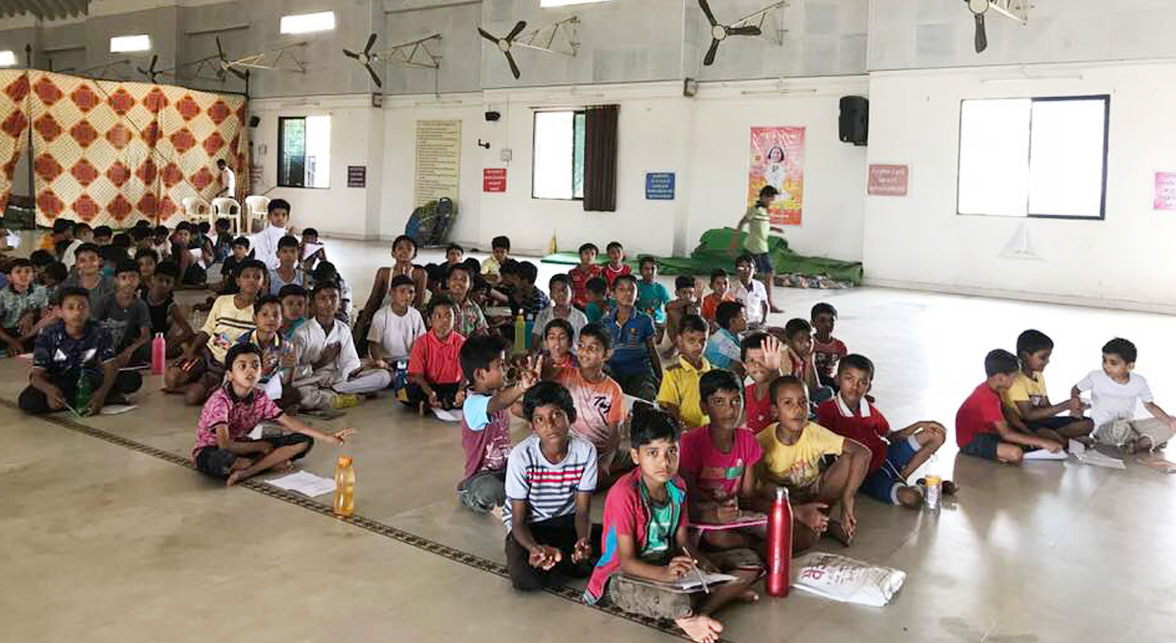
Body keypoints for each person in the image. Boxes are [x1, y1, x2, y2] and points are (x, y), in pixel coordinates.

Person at [583, 405, 760, 643]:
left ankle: (704, 607)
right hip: (625, 575)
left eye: (672, 451)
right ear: (635, 455)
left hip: (666, 563)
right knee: (675, 599)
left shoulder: (677, 486)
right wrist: (663, 574)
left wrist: (700, 563)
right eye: (653, 453)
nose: (664, 462)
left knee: (749, 561)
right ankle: (698, 611)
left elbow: (682, 541)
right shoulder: (624, 493)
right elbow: (626, 561)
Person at [192, 343, 355, 486]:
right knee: (221, 460)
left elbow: (290, 423)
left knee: (303, 441)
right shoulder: (220, 400)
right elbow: (225, 444)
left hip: (244, 446)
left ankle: (248, 471)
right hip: (213, 449)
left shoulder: (259, 397)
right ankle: (268, 463)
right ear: (230, 374)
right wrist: (261, 446)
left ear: (261, 372)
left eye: (255, 365)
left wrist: (327, 437)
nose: (250, 371)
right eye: (242, 366)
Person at [817, 354, 950, 508]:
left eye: (862, 382)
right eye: (849, 379)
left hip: (888, 456)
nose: (855, 386)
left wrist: (919, 425)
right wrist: (841, 483)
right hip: (867, 476)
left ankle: (902, 477)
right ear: (837, 379)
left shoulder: (868, 408)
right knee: (911, 499)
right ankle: (924, 486)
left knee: (937, 435)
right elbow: (826, 452)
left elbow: (891, 436)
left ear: (868, 387)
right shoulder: (827, 410)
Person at [505, 381, 600, 591]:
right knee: (524, 579)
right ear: (532, 426)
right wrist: (534, 549)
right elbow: (518, 520)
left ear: (571, 416)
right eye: (539, 419)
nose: (549, 424)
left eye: (556, 415)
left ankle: (564, 558)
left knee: (615, 543)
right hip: (532, 528)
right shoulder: (521, 456)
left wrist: (582, 540)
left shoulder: (585, 451)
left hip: (567, 522)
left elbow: (582, 511)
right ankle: (563, 559)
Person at [755, 375, 871, 546]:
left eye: (803, 402)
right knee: (804, 534)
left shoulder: (813, 432)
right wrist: (793, 509)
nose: (797, 409)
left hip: (813, 494)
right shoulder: (761, 443)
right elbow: (754, 493)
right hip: (784, 503)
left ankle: (820, 518)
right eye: (788, 403)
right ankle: (821, 525)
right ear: (774, 411)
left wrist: (848, 499)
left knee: (848, 460)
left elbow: (863, 453)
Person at [18, 287, 143, 415]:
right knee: (28, 401)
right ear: (60, 311)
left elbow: (111, 366)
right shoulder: (48, 334)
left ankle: (91, 398)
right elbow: (36, 376)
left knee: (132, 379)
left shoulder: (100, 330)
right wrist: (49, 390)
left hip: (90, 379)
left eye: (82, 307)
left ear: (89, 310)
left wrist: (101, 394)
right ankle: (98, 399)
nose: (77, 312)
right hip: (60, 382)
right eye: (70, 308)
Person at [679, 370, 764, 551]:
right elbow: (686, 498)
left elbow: (747, 494)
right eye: (719, 402)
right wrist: (714, 513)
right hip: (700, 515)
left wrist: (734, 508)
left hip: (733, 512)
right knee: (720, 538)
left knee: (782, 529)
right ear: (704, 407)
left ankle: (755, 547)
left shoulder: (748, 440)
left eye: (736, 401)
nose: (730, 410)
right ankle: (754, 547)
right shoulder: (691, 443)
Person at [166, 259, 265, 405]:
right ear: (238, 281)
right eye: (246, 276)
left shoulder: (262, 311)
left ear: (263, 282)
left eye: (257, 277)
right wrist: (192, 350)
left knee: (192, 397)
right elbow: (207, 329)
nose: (251, 280)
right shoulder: (222, 301)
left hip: (225, 365)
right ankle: (199, 382)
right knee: (172, 379)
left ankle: (208, 386)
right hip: (206, 354)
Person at [458, 335, 538, 514]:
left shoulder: (498, 395)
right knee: (490, 489)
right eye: (500, 365)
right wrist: (521, 387)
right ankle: (471, 496)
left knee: (534, 461)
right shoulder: (473, 404)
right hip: (480, 477)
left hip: (505, 468)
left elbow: (511, 401)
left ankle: (515, 495)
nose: (506, 368)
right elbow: (499, 402)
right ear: (480, 374)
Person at [290, 282, 391, 411]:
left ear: (339, 302)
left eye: (333, 298)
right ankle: (345, 395)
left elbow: (350, 363)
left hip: (338, 380)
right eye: (323, 298)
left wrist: (359, 367)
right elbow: (292, 371)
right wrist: (321, 362)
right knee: (302, 395)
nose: (329, 303)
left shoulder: (343, 329)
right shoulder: (302, 332)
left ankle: (335, 392)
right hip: (310, 381)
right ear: (314, 303)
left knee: (384, 377)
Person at [555, 323, 629, 487]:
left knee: (641, 460)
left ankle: (607, 476)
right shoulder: (566, 376)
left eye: (592, 348)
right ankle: (606, 479)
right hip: (573, 447)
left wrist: (606, 461)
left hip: (600, 450)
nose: (584, 352)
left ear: (607, 354)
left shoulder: (613, 390)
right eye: (581, 346)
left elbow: (615, 433)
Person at [957, 349, 1063, 464]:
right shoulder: (986, 397)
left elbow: (1008, 413)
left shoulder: (996, 389)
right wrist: (1042, 442)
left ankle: (1001, 452)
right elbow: (1006, 434)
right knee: (1015, 453)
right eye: (1013, 378)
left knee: (1028, 442)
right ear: (1001, 378)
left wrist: (1028, 433)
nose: (1014, 382)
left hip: (989, 433)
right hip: (971, 440)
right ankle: (999, 454)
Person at [1072, 338, 1176, 453]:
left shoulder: (1139, 381)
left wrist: (1169, 421)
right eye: (1104, 360)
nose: (1106, 366)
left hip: (1130, 424)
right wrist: (1075, 399)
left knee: (1170, 423)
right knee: (1121, 429)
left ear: (1130, 366)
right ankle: (1146, 441)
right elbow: (1076, 389)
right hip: (1103, 428)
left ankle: (1137, 444)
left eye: (1113, 363)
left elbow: (1150, 406)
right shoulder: (1095, 376)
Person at [999, 329, 1095, 445]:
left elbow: (1047, 407)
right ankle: (1065, 441)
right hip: (1025, 425)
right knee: (1047, 435)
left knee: (1088, 424)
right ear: (1025, 356)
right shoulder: (1017, 380)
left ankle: (1062, 440)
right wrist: (1065, 405)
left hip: (1042, 422)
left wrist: (1075, 409)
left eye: (1048, 357)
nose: (1047, 361)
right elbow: (1028, 416)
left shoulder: (1038, 376)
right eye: (1043, 357)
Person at [603, 274, 661, 401]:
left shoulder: (645, 320)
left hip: (639, 371)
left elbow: (652, 350)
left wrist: (660, 376)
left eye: (631, 289)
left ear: (637, 295)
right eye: (621, 289)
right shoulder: (605, 322)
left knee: (645, 397)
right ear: (613, 294)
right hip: (613, 371)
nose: (627, 293)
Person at [728, 185, 784, 314]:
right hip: (753, 248)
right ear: (763, 197)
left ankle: (766, 302)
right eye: (770, 199)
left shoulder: (764, 211)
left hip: (762, 247)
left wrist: (775, 229)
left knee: (765, 274)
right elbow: (741, 223)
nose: (771, 202)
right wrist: (733, 243)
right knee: (757, 274)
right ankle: (743, 300)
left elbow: (763, 226)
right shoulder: (754, 210)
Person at [406, 296, 466, 412]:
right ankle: (443, 402)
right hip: (429, 386)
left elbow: (466, 374)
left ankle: (433, 404)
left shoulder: (462, 343)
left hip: (453, 386)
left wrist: (461, 391)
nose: (444, 320)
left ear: (455, 319)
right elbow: (417, 374)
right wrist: (430, 393)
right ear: (429, 321)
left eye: (449, 316)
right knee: (409, 389)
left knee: (474, 390)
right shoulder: (421, 343)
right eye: (439, 316)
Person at [358, 234, 429, 333]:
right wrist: (362, 324)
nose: (404, 251)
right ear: (393, 253)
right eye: (400, 248)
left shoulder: (420, 274)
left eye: (409, 249)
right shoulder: (384, 273)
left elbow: (419, 302)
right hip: (386, 315)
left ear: (414, 255)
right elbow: (374, 299)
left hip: (408, 315)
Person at [92, 260, 151, 367]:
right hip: (103, 345)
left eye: (133, 277)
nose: (128, 282)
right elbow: (92, 327)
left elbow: (145, 335)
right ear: (116, 280)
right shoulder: (106, 301)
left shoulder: (140, 305)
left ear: (139, 280)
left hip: (123, 347)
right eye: (123, 278)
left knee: (147, 348)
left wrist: (129, 351)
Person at [657, 314, 712, 429]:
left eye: (703, 341)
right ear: (680, 340)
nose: (698, 346)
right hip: (685, 430)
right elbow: (670, 406)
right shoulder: (672, 373)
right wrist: (681, 427)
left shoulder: (713, 371)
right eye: (691, 341)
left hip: (710, 429)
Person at [236, 295, 294, 402]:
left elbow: (286, 380)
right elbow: (238, 377)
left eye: (276, 315)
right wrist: (261, 371)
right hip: (247, 384)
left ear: (282, 321)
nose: (271, 319)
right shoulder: (242, 343)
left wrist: (290, 367)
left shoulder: (286, 345)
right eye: (265, 314)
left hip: (271, 388)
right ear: (254, 318)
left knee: (292, 394)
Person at [367, 274, 426, 367]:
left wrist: (416, 361)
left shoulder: (415, 315)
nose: (407, 296)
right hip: (386, 361)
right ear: (392, 293)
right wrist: (379, 361)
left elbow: (421, 342)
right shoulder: (381, 315)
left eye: (411, 292)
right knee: (382, 375)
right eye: (402, 291)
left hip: (409, 360)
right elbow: (374, 344)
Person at [0, 258, 50, 356]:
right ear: (9, 277)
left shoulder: (40, 290)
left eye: (27, 271)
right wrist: (12, 341)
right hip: (7, 334)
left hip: (31, 332)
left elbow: (44, 315)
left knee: (52, 317)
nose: (23, 275)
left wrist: (32, 313)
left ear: (33, 275)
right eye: (18, 272)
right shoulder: (2, 295)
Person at [145, 261, 194, 358]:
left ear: (173, 285)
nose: (163, 284)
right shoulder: (141, 296)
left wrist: (171, 344)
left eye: (168, 281)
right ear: (153, 279)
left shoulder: (170, 306)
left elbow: (188, 331)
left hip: (156, 343)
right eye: (160, 279)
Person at [782, 318, 831, 405]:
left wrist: (810, 361)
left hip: (804, 396)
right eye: (800, 340)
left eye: (809, 339)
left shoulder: (807, 355)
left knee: (827, 391)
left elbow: (815, 387)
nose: (807, 344)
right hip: (788, 399)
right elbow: (785, 390)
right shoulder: (784, 356)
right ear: (789, 341)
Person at [532, 274, 588, 349]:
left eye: (564, 290)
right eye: (556, 290)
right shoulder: (543, 316)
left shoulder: (580, 318)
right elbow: (534, 345)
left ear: (573, 293)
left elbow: (585, 345)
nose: (561, 294)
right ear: (551, 295)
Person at [741, 332, 783, 432]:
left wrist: (775, 369)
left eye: (763, 358)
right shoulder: (744, 393)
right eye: (751, 360)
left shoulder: (783, 393)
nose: (757, 365)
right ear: (744, 365)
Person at [62, 243, 115, 310]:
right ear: (77, 264)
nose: (88, 264)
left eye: (92, 259)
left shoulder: (111, 284)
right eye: (82, 260)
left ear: (100, 261)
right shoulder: (68, 285)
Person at [704, 301, 746, 378]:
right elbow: (747, 359)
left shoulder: (734, 336)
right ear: (732, 321)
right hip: (716, 379)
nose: (746, 320)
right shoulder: (721, 340)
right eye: (744, 316)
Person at [811, 302, 847, 390]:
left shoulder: (840, 346)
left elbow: (845, 369)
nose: (828, 324)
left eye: (831, 320)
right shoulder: (809, 342)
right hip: (810, 380)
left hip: (829, 382)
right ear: (813, 323)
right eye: (822, 320)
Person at [635, 256, 672, 343]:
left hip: (656, 322)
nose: (650, 272)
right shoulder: (635, 286)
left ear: (657, 271)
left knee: (653, 339)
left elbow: (668, 303)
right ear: (640, 271)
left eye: (653, 269)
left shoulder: (660, 288)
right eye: (646, 269)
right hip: (638, 321)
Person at [446, 263, 488, 339]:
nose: (458, 283)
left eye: (463, 280)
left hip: (468, 345)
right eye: (455, 279)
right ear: (448, 283)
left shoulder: (474, 308)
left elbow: (482, 332)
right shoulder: (441, 304)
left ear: (471, 285)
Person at [250, 198, 292, 270]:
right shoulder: (261, 237)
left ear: (288, 217)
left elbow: (294, 263)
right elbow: (263, 264)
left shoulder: (290, 236)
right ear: (269, 216)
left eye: (283, 215)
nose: (280, 218)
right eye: (276, 215)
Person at [731, 254, 768, 329]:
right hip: (739, 326)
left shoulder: (759, 286)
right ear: (736, 271)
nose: (746, 270)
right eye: (741, 267)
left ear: (755, 271)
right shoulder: (732, 288)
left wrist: (764, 321)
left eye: (749, 267)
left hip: (756, 323)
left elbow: (765, 305)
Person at [569, 243, 602, 309]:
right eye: (586, 253)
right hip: (576, 305)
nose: (589, 256)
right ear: (580, 255)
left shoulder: (599, 271)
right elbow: (570, 290)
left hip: (594, 306)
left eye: (592, 254)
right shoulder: (572, 273)